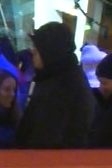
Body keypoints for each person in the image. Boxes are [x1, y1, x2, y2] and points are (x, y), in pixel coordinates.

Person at [16, 21, 94, 149]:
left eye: (38, 47)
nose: (32, 51)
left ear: (50, 51)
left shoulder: (63, 88)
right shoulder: (51, 76)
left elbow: (48, 137)